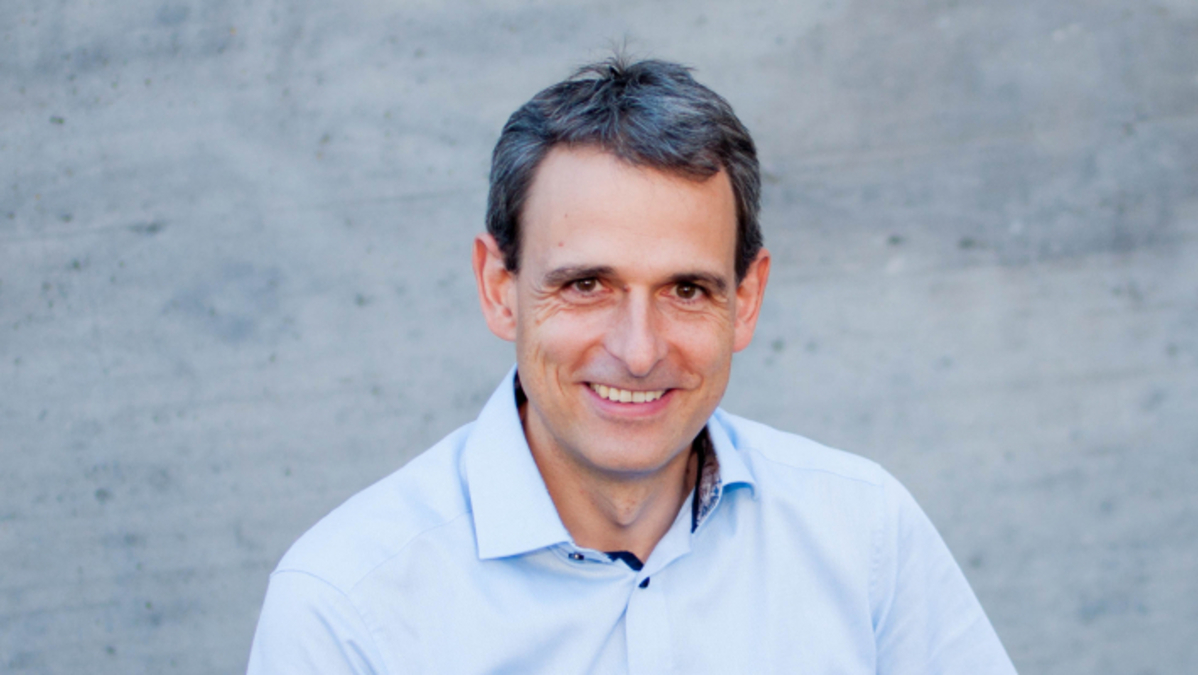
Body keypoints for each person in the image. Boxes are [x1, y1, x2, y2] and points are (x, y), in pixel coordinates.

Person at [247, 56, 1017, 674]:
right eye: (587, 284)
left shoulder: (864, 534)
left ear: (747, 299)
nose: (640, 350)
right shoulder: (344, 609)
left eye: (687, 289)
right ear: (499, 288)